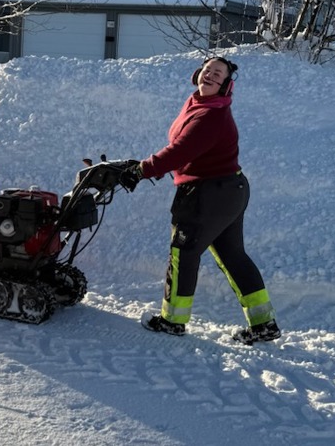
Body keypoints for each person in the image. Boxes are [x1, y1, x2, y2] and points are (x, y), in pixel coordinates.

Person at [120, 55, 281, 345]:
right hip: (230, 189)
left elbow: (182, 150)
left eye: (217, 75)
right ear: (197, 74)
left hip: (208, 194)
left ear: (225, 85)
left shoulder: (211, 115)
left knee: (183, 254)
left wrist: (143, 170)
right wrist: (147, 166)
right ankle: (264, 324)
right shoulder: (200, 104)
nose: (209, 76)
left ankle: (172, 321)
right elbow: (179, 146)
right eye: (207, 70)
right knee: (233, 256)